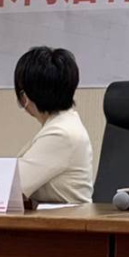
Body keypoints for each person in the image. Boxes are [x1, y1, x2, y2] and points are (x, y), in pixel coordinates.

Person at [14, 46, 93, 204]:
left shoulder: (61, 133)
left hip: (65, 219)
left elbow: (11, 187)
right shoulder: (63, 124)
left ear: (24, 97)